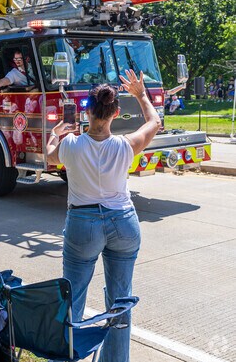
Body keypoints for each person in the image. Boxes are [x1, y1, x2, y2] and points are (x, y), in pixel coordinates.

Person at [46, 69, 161, 362]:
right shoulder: (126, 146)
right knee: (121, 301)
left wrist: (54, 134)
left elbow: (49, 156)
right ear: (116, 113)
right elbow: (155, 122)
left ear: (87, 110)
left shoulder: (70, 145)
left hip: (83, 225)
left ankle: (69, 356)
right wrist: (141, 94)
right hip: (123, 222)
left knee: (73, 297)